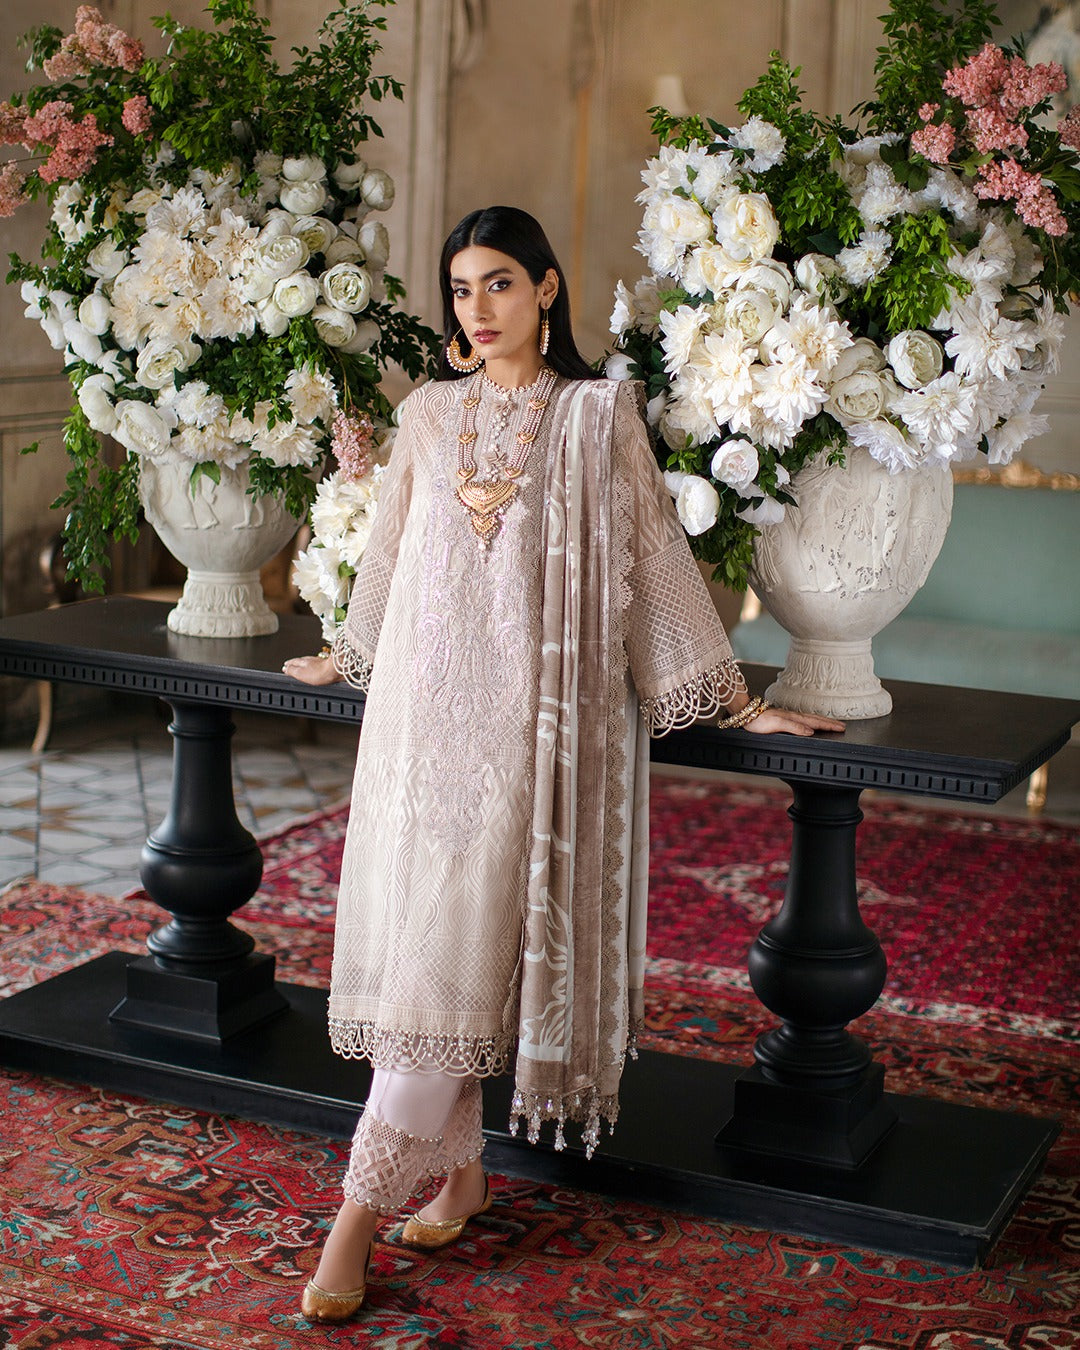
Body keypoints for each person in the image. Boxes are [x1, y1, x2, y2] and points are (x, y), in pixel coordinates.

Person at [283, 205, 843, 1323]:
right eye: (460, 289)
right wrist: (348, 652)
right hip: (421, 735)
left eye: (498, 283)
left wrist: (737, 701)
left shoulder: (597, 418)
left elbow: (652, 560)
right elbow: (390, 554)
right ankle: (463, 1175)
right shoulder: (428, 416)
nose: (477, 308)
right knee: (428, 964)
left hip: (531, 739)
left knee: (449, 971)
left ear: (546, 288)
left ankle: (352, 1224)